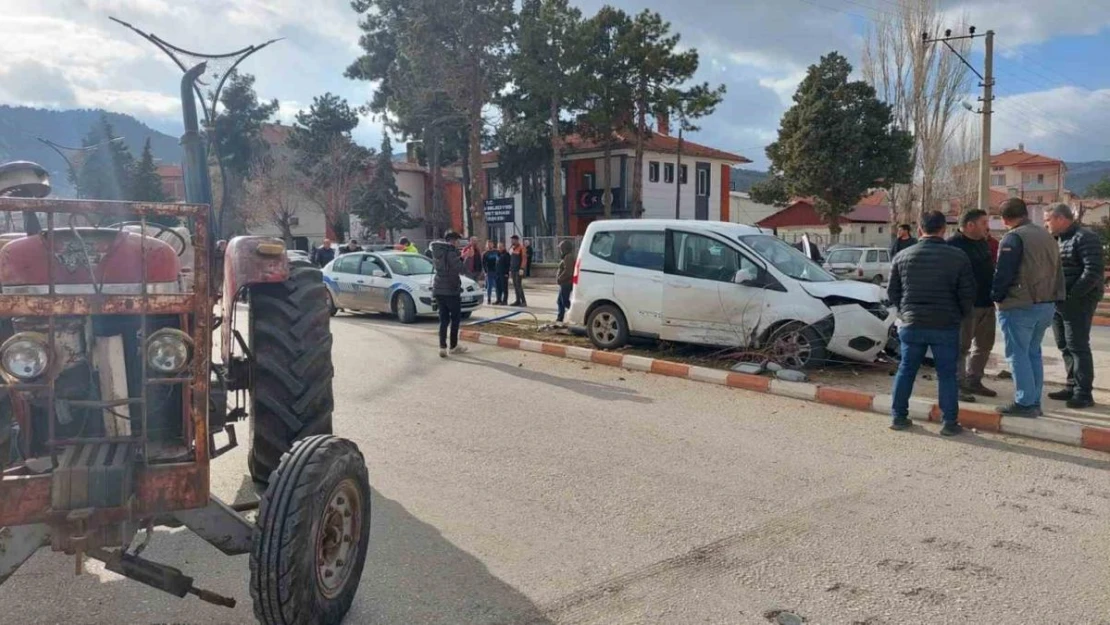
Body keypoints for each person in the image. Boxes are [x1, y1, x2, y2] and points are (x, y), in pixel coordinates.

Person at [887, 210, 975, 436]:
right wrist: (961, 316)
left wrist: (905, 312)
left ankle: (898, 417)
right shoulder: (957, 257)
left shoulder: (902, 256)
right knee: (947, 374)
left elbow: (892, 292)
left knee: (906, 369)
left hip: (912, 323)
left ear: (919, 229)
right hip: (945, 324)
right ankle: (949, 423)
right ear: (944, 229)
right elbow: (967, 294)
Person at [991, 198, 1066, 418]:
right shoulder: (1047, 236)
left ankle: (1025, 403)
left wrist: (996, 297)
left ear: (1005, 219)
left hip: (1019, 304)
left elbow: (1003, 273)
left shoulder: (1013, 237)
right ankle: (1034, 402)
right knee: (1033, 353)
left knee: (1017, 355)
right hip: (1046, 303)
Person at [1045, 203, 1105, 409]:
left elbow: (1094, 271)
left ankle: (1084, 393)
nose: (1046, 224)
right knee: (1064, 345)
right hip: (1059, 301)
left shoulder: (1084, 237)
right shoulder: (1058, 239)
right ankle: (1071, 386)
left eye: (1048, 220)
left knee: (1078, 346)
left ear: (1061, 219)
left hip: (1079, 301)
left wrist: (1072, 295)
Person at [947, 209, 998, 400]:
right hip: (965, 306)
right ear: (970, 225)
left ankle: (974, 380)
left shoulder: (983, 244)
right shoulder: (952, 246)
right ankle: (957, 385)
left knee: (984, 346)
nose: (988, 227)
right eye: (984, 222)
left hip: (987, 303)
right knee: (960, 347)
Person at [429, 230, 468, 358]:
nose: (458, 243)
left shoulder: (438, 252)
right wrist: (465, 257)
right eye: (457, 240)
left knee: (443, 319)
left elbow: (449, 266)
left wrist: (460, 257)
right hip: (451, 290)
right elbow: (460, 268)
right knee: (455, 318)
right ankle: (453, 346)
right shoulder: (451, 253)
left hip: (439, 289)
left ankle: (442, 347)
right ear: (453, 241)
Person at [555, 239, 575, 323]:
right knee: (559, 301)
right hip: (564, 282)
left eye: (561, 248)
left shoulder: (568, 257)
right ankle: (559, 319)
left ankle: (575, 314)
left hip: (566, 283)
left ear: (565, 248)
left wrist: (560, 278)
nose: (560, 250)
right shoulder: (566, 256)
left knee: (565, 302)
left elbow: (568, 271)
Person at [508, 234, 528, 307]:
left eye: (513, 239)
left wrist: (522, 268)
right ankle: (517, 300)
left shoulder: (521, 248)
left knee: (519, 285)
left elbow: (524, 258)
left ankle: (523, 301)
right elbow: (510, 258)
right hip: (513, 269)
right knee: (515, 285)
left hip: (518, 270)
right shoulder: (512, 248)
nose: (512, 241)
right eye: (511, 239)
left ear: (516, 240)